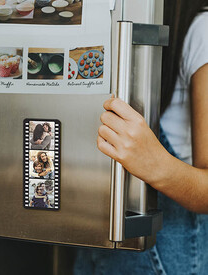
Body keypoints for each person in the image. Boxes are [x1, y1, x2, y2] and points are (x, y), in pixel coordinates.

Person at [74, 1, 208, 274]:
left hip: (162, 254)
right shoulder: (106, 15)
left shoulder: (201, 29)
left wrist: (155, 164)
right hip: (93, 240)